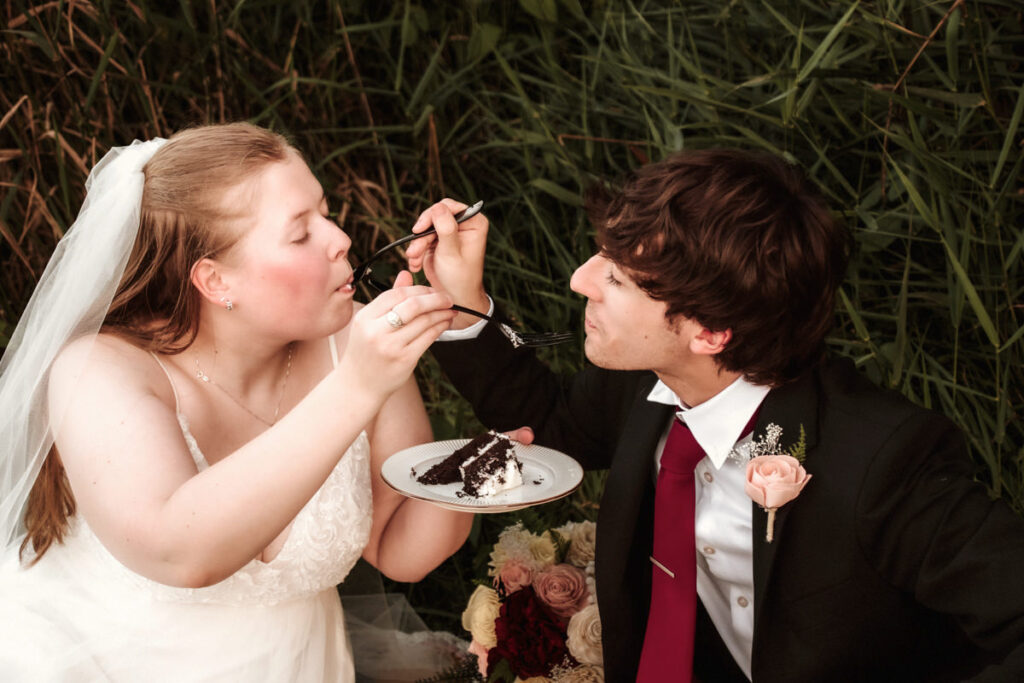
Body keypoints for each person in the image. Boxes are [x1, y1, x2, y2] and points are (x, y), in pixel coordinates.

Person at [404, 149, 1024, 681]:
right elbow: (549, 422)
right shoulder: (646, 380)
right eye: (600, 255)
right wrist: (462, 306)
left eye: (616, 279)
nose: (579, 280)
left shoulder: (884, 463)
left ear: (710, 333)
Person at [0, 122, 472, 680]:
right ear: (215, 280)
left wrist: (487, 467)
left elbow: (400, 547)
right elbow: (180, 550)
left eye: (325, 211)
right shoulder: (98, 369)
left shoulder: (356, 347)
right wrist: (358, 387)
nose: (340, 238)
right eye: (300, 234)